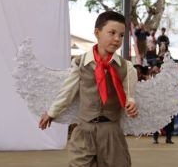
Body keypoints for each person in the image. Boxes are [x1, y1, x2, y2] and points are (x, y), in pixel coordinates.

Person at [39, 11, 138, 167]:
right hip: (84, 130)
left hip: (111, 131)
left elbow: (129, 94)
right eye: (112, 33)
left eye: (121, 35)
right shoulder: (80, 63)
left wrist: (131, 103)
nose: (117, 39)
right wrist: (52, 112)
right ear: (97, 33)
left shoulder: (127, 67)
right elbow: (68, 92)